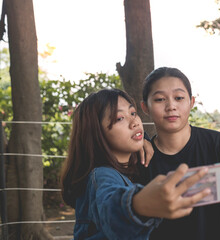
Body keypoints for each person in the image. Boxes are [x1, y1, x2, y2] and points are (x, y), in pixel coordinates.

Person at [60, 88, 211, 240]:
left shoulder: (133, 165)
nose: (134, 122)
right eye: (119, 118)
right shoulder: (101, 175)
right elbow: (110, 209)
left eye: (133, 113)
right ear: (96, 132)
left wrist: (143, 140)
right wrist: (137, 205)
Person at [139, 67, 220, 240]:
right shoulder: (141, 158)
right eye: (159, 99)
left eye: (179, 98)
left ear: (191, 102)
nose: (171, 106)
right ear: (145, 107)